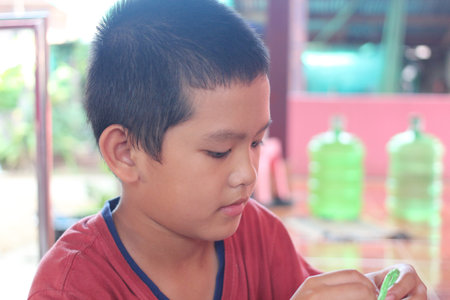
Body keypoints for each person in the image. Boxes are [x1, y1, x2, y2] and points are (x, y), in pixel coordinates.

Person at [28, 0, 427, 299]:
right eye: (219, 152)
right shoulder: (73, 285)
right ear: (125, 153)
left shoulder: (258, 234)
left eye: (256, 143)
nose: (248, 174)